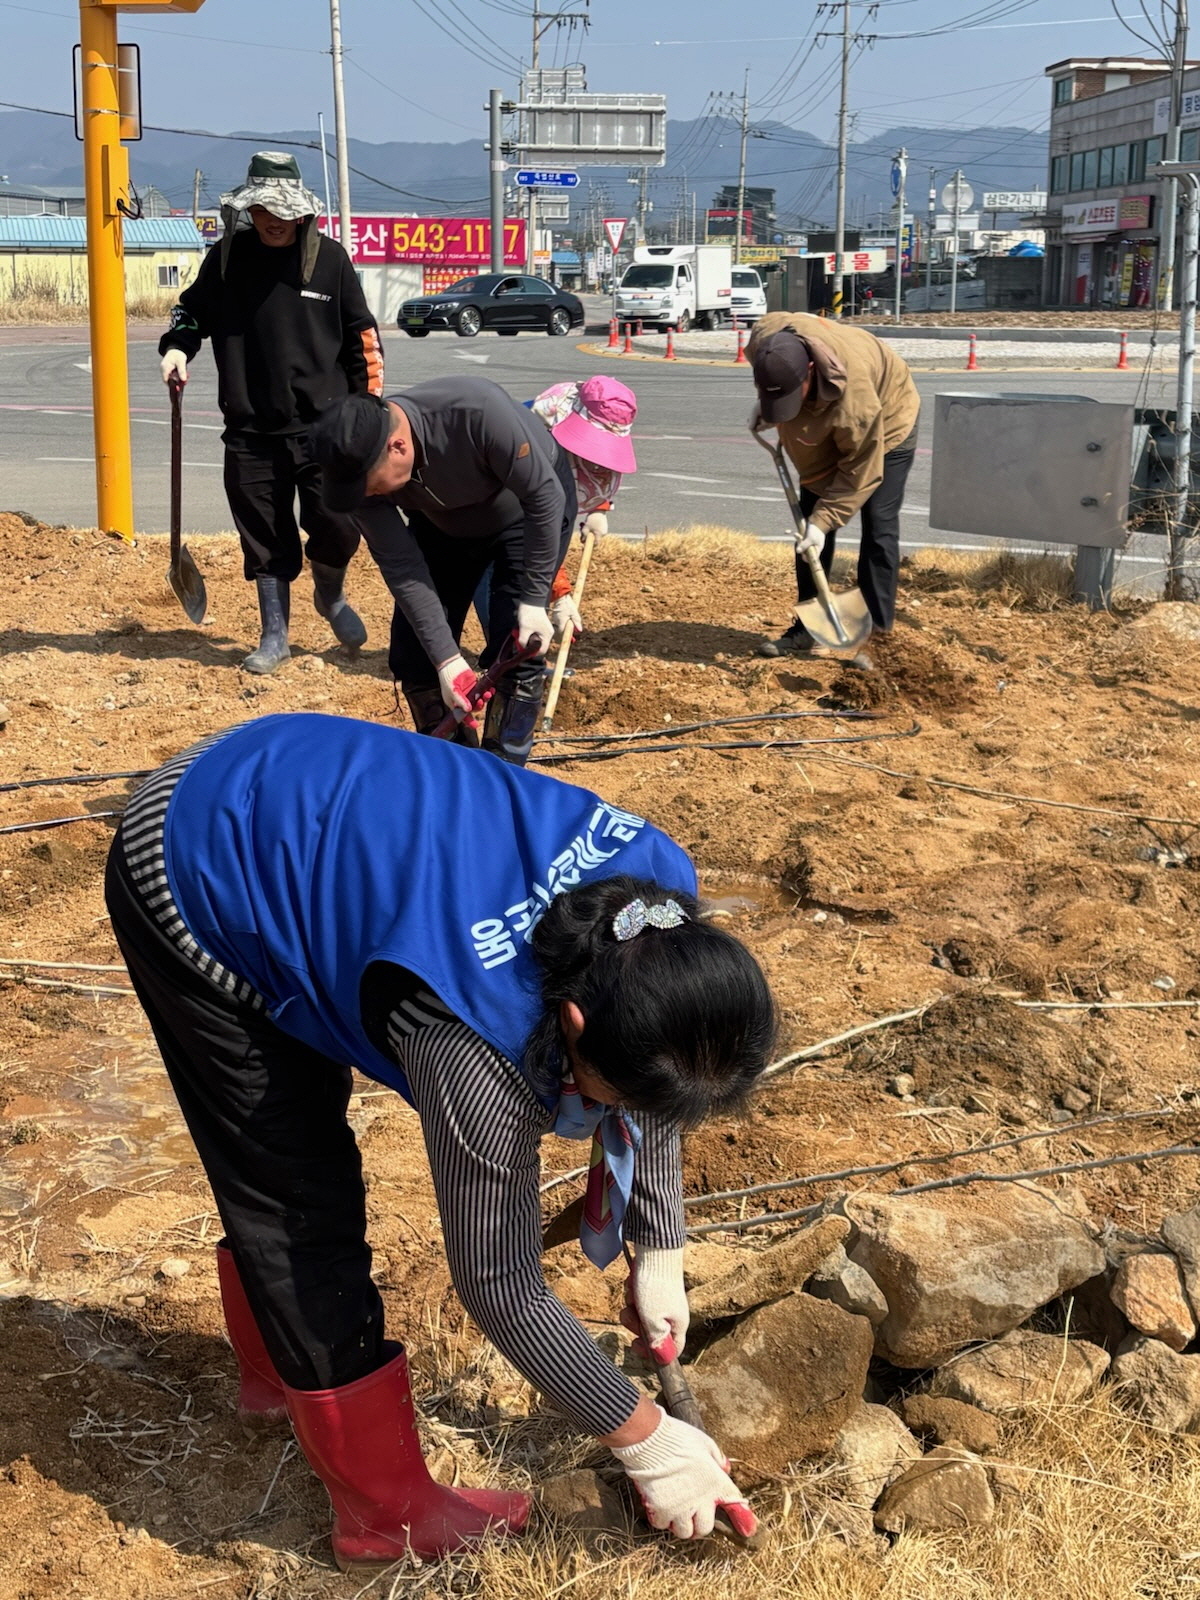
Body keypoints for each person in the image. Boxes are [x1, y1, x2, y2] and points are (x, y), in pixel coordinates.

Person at [105, 714, 773, 1568]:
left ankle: (281, 1372)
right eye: (620, 1093)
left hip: (324, 802)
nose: (635, 1111)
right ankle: (379, 1514)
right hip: (199, 855)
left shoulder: (657, 910)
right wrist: (646, 1441)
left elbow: (659, 1064)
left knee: (303, 1121)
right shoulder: (475, 1042)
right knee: (291, 1178)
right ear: (572, 1025)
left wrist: (661, 1243)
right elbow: (499, 1285)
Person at [158, 152, 384, 674]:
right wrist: (176, 348)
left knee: (336, 524)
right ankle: (275, 635)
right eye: (262, 210)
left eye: (283, 211)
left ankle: (330, 594)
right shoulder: (226, 259)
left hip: (325, 427)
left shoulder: (330, 260)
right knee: (262, 533)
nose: (273, 220)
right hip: (250, 427)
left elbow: (363, 339)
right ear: (249, 210)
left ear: (302, 213)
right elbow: (190, 312)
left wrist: (367, 410)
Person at [312, 378, 576, 765]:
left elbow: (544, 497)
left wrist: (535, 599)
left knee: (515, 642)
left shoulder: (477, 413)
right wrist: (446, 661)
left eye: (371, 488)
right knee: (415, 653)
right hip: (440, 520)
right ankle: (452, 765)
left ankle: (505, 768)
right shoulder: (358, 474)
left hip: (526, 510)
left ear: (398, 447)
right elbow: (401, 562)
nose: (367, 497)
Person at [747, 312, 920, 659]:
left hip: (887, 424)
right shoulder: (765, 342)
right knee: (807, 529)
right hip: (824, 419)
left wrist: (825, 523)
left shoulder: (856, 403)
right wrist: (768, 404)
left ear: (810, 371)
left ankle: (878, 641)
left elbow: (861, 470)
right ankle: (809, 630)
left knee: (879, 524)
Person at [474, 375, 638, 640]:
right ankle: (503, 649)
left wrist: (599, 507)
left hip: (534, 506)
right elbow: (539, 531)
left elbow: (597, 465)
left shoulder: (584, 428)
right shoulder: (527, 438)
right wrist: (559, 594)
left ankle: (514, 646)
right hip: (489, 507)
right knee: (498, 575)